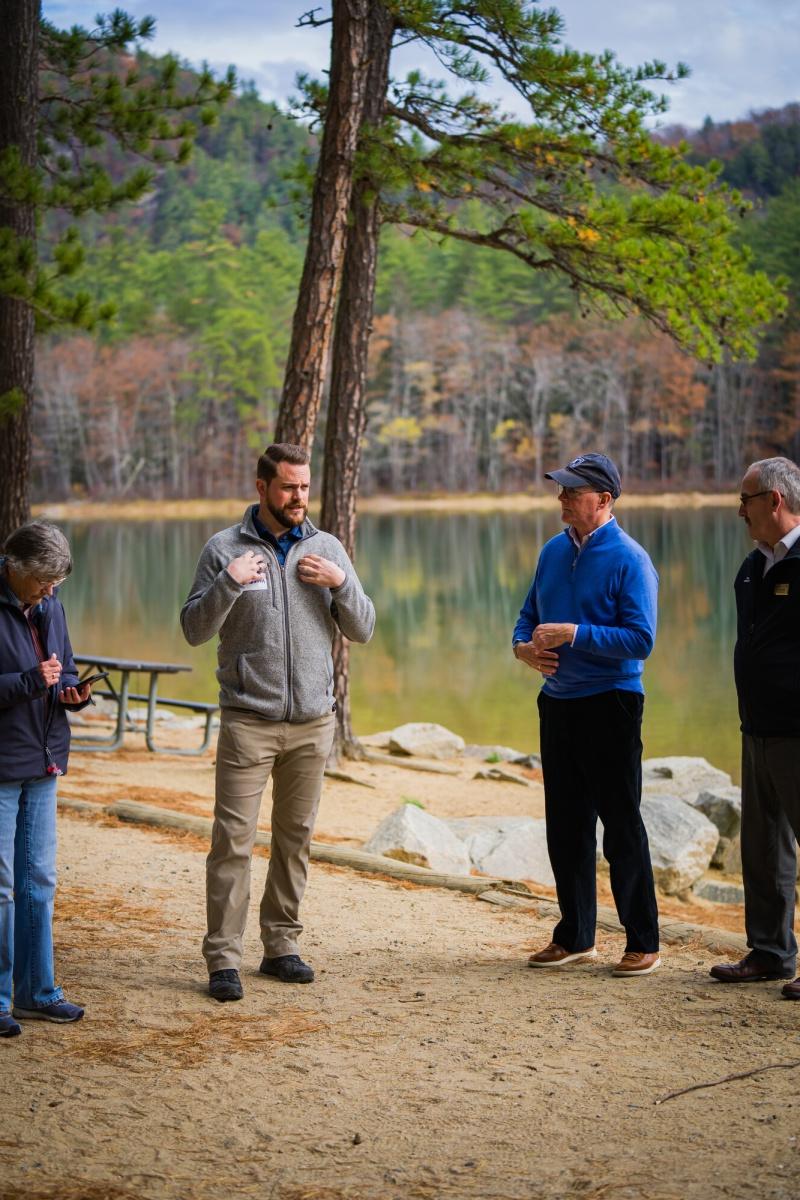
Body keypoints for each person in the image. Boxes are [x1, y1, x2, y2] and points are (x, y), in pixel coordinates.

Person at [181, 443, 375, 1003]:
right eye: (289, 487)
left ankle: (281, 946)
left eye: (305, 487)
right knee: (232, 843)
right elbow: (193, 629)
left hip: (313, 723)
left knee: (295, 840)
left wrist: (340, 582)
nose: (299, 498)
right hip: (249, 720)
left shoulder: (326, 548)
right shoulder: (224, 548)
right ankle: (223, 959)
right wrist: (230, 583)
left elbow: (363, 630)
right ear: (262, 487)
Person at [512, 453, 661, 977]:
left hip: (612, 702)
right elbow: (528, 616)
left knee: (621, 825)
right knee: (566, 825)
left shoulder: (630, 559)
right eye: (561, 490)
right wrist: (522, 648)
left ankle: (643, 941)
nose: (562, 499)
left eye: (572, 492)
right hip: (558, 702)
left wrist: (575, 633)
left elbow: (641, 640)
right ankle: (575, 935)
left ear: (604, 499)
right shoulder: (553, 551)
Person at [710, 457, 800, 1000]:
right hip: (757, 725)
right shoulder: (752, 566)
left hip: (798, 729)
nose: (739, 510)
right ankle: (770, 952)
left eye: (745, 500)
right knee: (763, 848)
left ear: (774, 500)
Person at [0, 520, 92, 1038]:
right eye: (43, 581)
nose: (51, 591)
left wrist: (72, 692)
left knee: (39, 881)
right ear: (14, 567)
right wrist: (30, 683)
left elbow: (68, 669)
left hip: (44, 759)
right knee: (1, 888)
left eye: (57, 582)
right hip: (2, 764)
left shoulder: (52, 604)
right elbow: (31, 679)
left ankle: (38, 992)